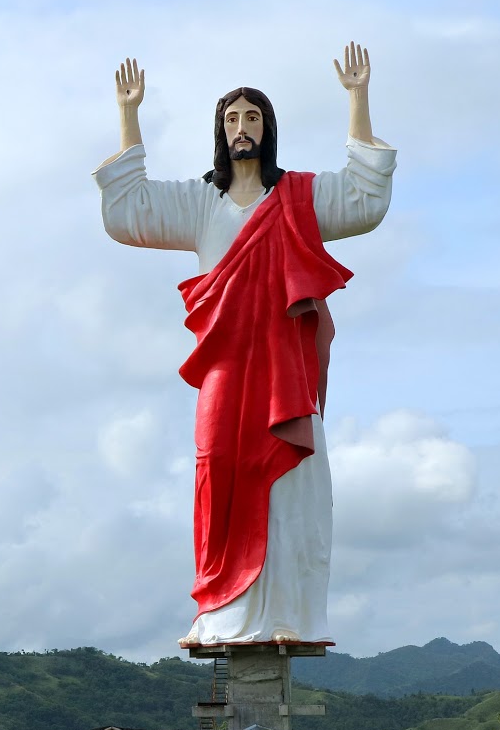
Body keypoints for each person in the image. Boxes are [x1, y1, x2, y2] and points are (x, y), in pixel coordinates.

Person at [93, 42, 395, 649]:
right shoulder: (199, 201)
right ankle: (220, 613)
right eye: (232, 119)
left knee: (288, 486)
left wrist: (358, 100)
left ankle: (288, 610)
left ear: (268, 128)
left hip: (284, 369)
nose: (242, 128)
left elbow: (366, 199)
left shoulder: (300, 199)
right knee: (218, 470)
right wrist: (129, 115)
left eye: (252, 117)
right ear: (219, 132)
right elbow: (129, 211)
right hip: (227, 368)